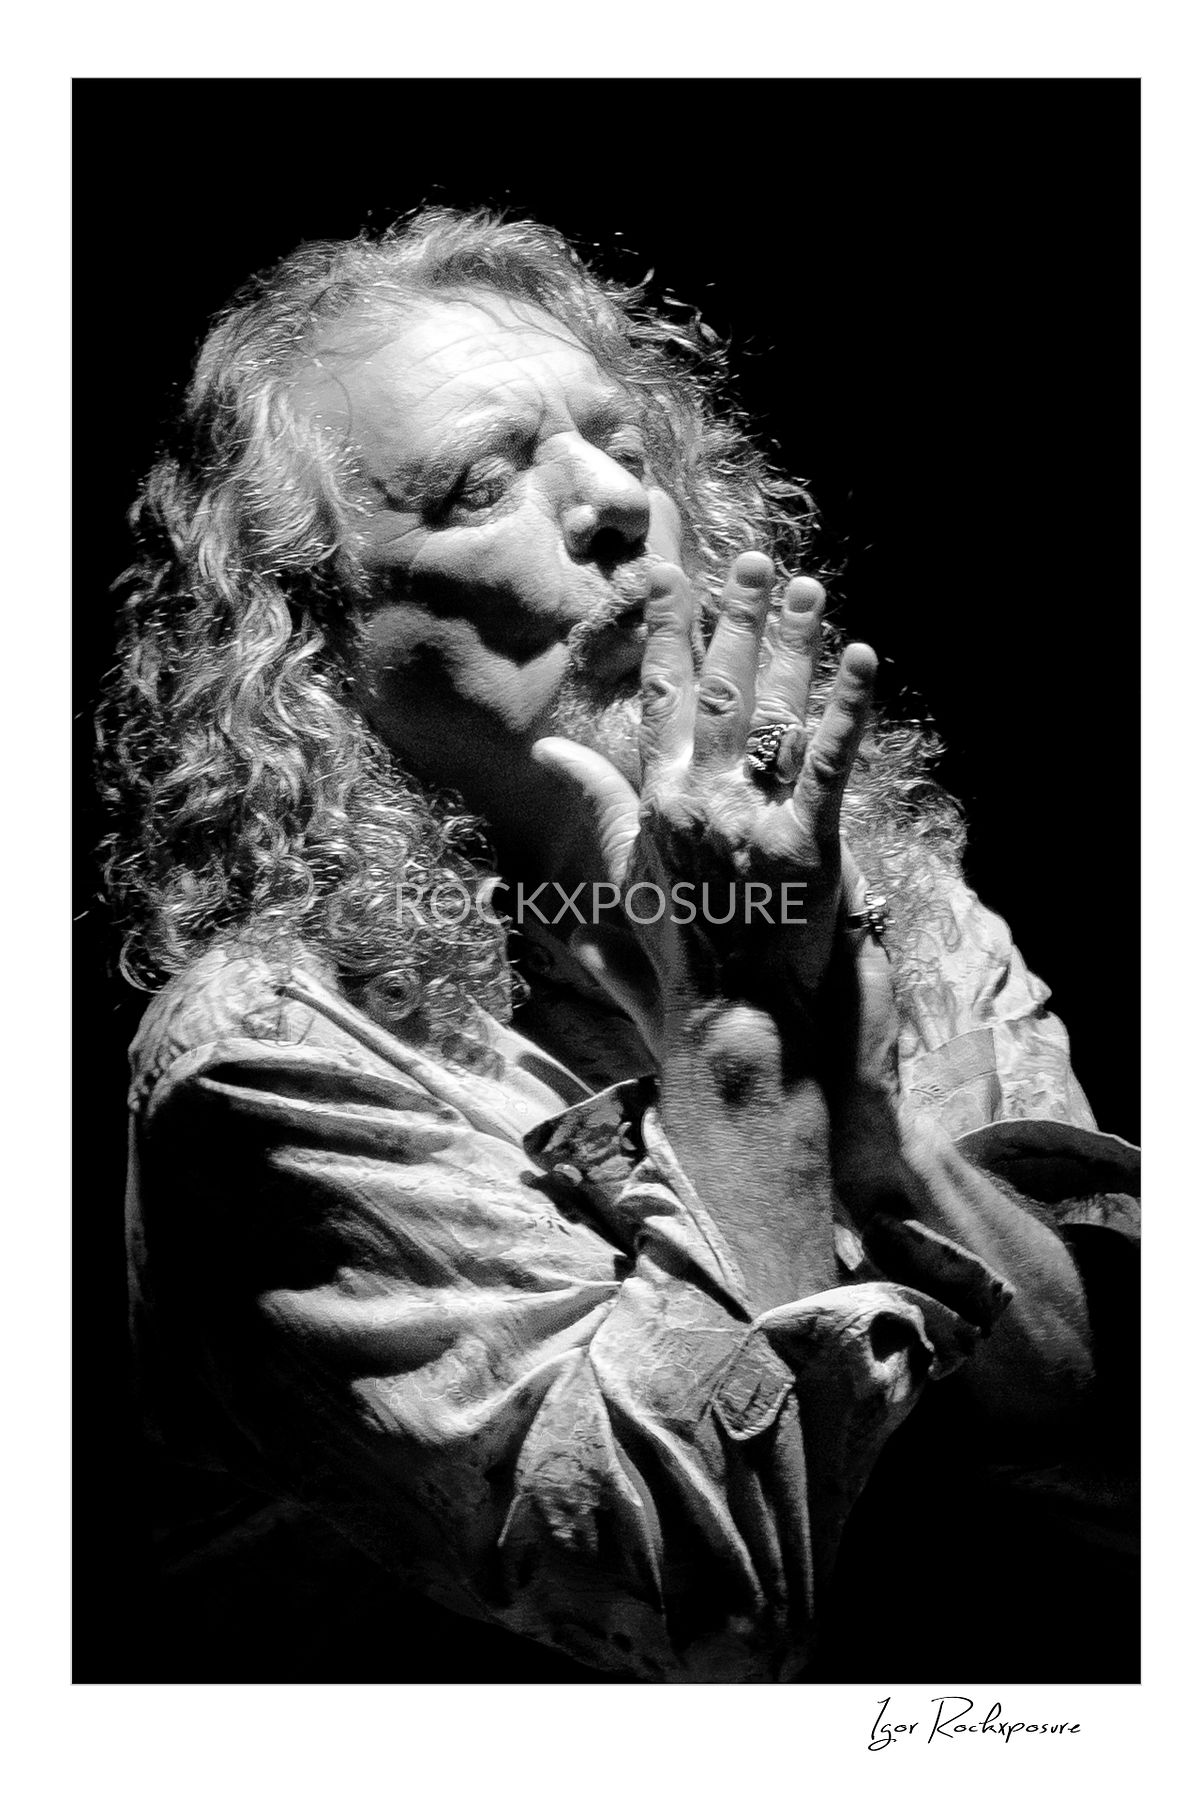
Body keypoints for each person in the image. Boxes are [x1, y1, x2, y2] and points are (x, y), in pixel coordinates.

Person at [98, 207, 1138, 1683]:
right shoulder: (264, 1060)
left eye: (627, 448)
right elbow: (707, 1607)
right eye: (479, 482)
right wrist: (740, 1022)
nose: (612, 504)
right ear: (318, 646)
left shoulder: (890, 881)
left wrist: (865, 1118)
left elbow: (1116, 1429)